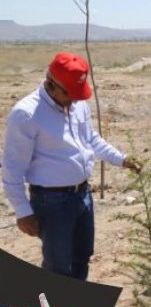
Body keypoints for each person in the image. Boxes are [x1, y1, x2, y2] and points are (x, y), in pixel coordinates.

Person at [2, 52, 141, 281]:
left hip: (83, 195)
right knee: (58, 264)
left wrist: (121, 159)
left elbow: (91, 140)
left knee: (82, 255)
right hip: (52, 202)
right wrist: (23, 211)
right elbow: (12, 167)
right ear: (50, 84)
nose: (76, 100)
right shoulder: (26, 114)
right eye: (71, 94)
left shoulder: (77, 105)